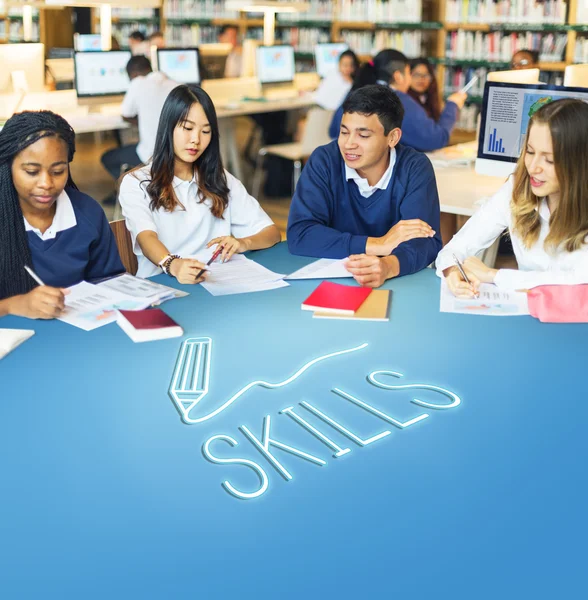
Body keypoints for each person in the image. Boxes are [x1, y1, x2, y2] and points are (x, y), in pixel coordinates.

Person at [119, 85, 281, 281]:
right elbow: (146, 238)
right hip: (163, 287)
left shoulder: (220, 178)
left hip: (217, 283)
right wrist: (174, 265)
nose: (196, 139)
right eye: (187, 128)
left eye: (205, 131)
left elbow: (271, 233)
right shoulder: (136, 183)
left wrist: (243, 243)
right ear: (168, 127)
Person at [287, 85, 442, 288]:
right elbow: (300, 234)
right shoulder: (324, 161)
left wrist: (387, 265)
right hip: (331, 280)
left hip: (399, 282)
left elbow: (425, 241)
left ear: (392, 137)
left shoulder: (414, 168)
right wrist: (379, 244)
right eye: (344, 132)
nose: (349, 144)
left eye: (363, 135)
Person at [437, 99, 588, 297]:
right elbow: (457, 247)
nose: (533, 167)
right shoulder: (516, 190)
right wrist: (452, 271)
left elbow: (575, 282)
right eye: (530, 152)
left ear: (579, 164)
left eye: (549, 159)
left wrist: (493, 275)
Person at [0, 111, 124, 319]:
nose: (46, 184)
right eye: (31, 172)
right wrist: (15, 305)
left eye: (58, 171)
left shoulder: (87, 213)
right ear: (7, 167)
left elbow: (110, 281)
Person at [329, 50, 466, 152]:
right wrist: (453, 105)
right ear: (398, 76)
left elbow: (333, 131)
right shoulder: (397, 100)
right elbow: (436, 138)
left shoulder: (356, 92)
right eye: (408, 74)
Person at [101, 56, 179, 181]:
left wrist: (142, 121)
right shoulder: (175, 84)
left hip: (151, 155)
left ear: (133, 74)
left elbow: (126, 114)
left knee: (107, 158)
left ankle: (138, 187)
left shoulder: (138, 83)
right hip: (177, 155)